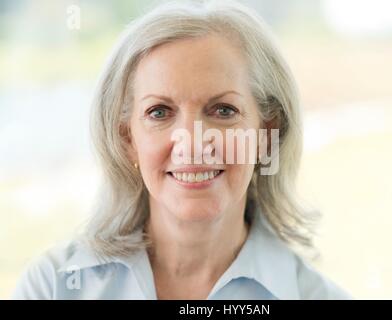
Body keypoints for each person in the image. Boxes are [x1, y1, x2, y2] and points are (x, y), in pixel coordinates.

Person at [12, 0, 351, 300]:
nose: (192, 142)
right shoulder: (51, 288)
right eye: (159, 112)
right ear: (127, 139)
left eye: (223, 111)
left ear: (266, 134)